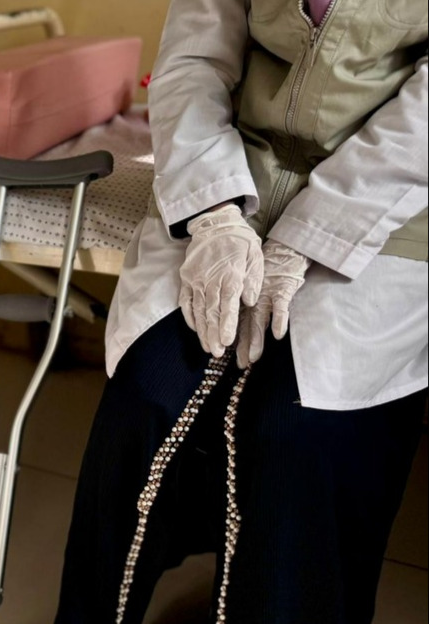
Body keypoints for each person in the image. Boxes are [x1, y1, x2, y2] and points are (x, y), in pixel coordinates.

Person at [55, 0, 427, 622]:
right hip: (234, 183)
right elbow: (194, 61)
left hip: (386, 207)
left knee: (297, 426)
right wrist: (213, 214)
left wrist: (311, 238)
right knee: (148, 391)